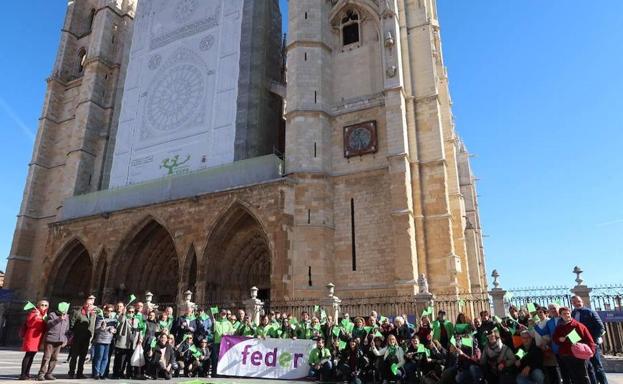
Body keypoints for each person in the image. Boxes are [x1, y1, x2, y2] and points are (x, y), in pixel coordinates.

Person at [553, 307, 595, 384]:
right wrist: (559, 339)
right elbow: (555, 338)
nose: (566, 315)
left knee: (583, 376)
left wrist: (591, 352)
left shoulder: (578, 325)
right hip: (567, 355)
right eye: (564, 314)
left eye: (568, 313)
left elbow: (589, 340)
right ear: (561, 315)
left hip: (580, 355)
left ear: (570, 313)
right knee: (573, 376)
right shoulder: (559, 327)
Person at [571, 296, 608, 384]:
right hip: (580, 346)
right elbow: (571, 329)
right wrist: (575, 342)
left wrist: (592, 341)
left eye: (578, 301)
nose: (577, 303)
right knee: (588, 368)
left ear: (582, 301)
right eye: (574, 302)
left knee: (597, 367)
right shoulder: (572, 313)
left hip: (591, 344)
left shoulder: (590, 312)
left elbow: (600, 327)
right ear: (572, 304)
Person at [36, 301, 69, 381]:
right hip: (51, 339)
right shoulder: (52, 315)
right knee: (46, 357)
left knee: (54, 358)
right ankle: (41, 374)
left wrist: (65, 339)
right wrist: (59, 319)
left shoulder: (67, 316)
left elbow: (67, 329)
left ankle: (49, 373)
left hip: (60, 340)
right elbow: (49, 324)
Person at [68, 295, 97, 379]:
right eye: (87, 304)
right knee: (74, 356)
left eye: (91, 305)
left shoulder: (93, 314)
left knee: (83, 357)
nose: (89, 306)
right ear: (84, 304)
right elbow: (72, 324)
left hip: (87, 338)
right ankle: (71, 372)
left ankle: (79, 373)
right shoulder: (78, 312)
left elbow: (93, 325)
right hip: (77, 337)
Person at [20, 300, 48, 380]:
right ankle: (23, 374)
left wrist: (45, 319)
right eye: (42, 305)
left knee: (32, 356)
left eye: (46, 305)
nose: (44, 306)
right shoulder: (34, 312)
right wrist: (36, 317)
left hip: (38, 337)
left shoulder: (45, 314)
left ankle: (27, 373)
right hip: (31, 336)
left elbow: (45, 327)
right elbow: (29, 323)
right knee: (28, 355)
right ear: (38, 305)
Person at [112, 305, 140, 379]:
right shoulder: (124, 318)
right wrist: (123, 313)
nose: (131, 313)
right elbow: (120, 320)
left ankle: (129, 373)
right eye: (129, 311)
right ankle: (118, 373)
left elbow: (138, 330)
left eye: (132, 312)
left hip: (132, 343)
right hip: (123, 342)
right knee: (121, 360)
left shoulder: (136, 320)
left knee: (130, 359)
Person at [92, 304, 117, 380]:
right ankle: (96, 373)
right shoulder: (100, 318)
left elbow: (114, 329)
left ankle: (102, 373)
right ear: (105, 311)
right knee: (99, 357)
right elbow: (96, 330)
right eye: (108, 311)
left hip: (108, 340)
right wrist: (102, 327)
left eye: (111, 311)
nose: (109, 312)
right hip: (100, 340)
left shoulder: (113, 319)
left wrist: (114, 330)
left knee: (105, 358)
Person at [212, 308, 235, 376]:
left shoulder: (228, 323)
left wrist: (227, 333)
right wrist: (213, 324)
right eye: (222, 313)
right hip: (217, 342)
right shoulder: (216, 322)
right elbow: (212, 331)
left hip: (225, 344)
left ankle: (224, 373)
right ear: (220, 314)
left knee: (224, 358)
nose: (223, 315)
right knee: (215, 358)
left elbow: (232, 333)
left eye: (224, 314)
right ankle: (214, 373)